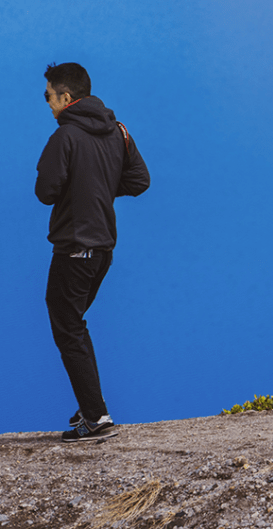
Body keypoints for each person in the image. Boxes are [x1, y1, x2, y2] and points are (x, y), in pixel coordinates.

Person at [35, 63, 150, 442]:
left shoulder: (65, 136)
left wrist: (83, 186)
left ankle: (97, 417)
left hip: (73, 248)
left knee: (68, 328)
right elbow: (139, 180)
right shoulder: (118, 132)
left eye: (49, 96)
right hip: (102, 251)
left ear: (66, 98)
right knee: (74, 324)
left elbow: (46, 191)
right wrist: (95, 186)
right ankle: (90, 404)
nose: (48, 104)